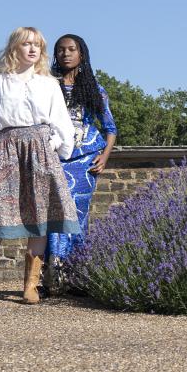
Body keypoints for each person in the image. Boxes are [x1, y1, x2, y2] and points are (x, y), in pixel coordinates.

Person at [0, 27, 80, 304]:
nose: (32, 49)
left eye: (37, 45)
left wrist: (51, 144)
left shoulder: (48, 83)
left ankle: (30, 286)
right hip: (8, 149)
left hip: (40, 152)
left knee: (39, 219)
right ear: (14, 47)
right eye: (26, 44)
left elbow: (61, 121)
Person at [46, 34, 117, 287]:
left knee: (78, 215)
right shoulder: (47, 86)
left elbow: (110, 128)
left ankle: (76, 278)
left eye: (71, 49)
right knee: (54, 214)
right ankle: (53, 276)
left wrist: (105, 156)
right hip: (53, 158)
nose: (66, 54)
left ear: (81, 54)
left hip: (85, 160)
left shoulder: (95, 90)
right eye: (61, 50)